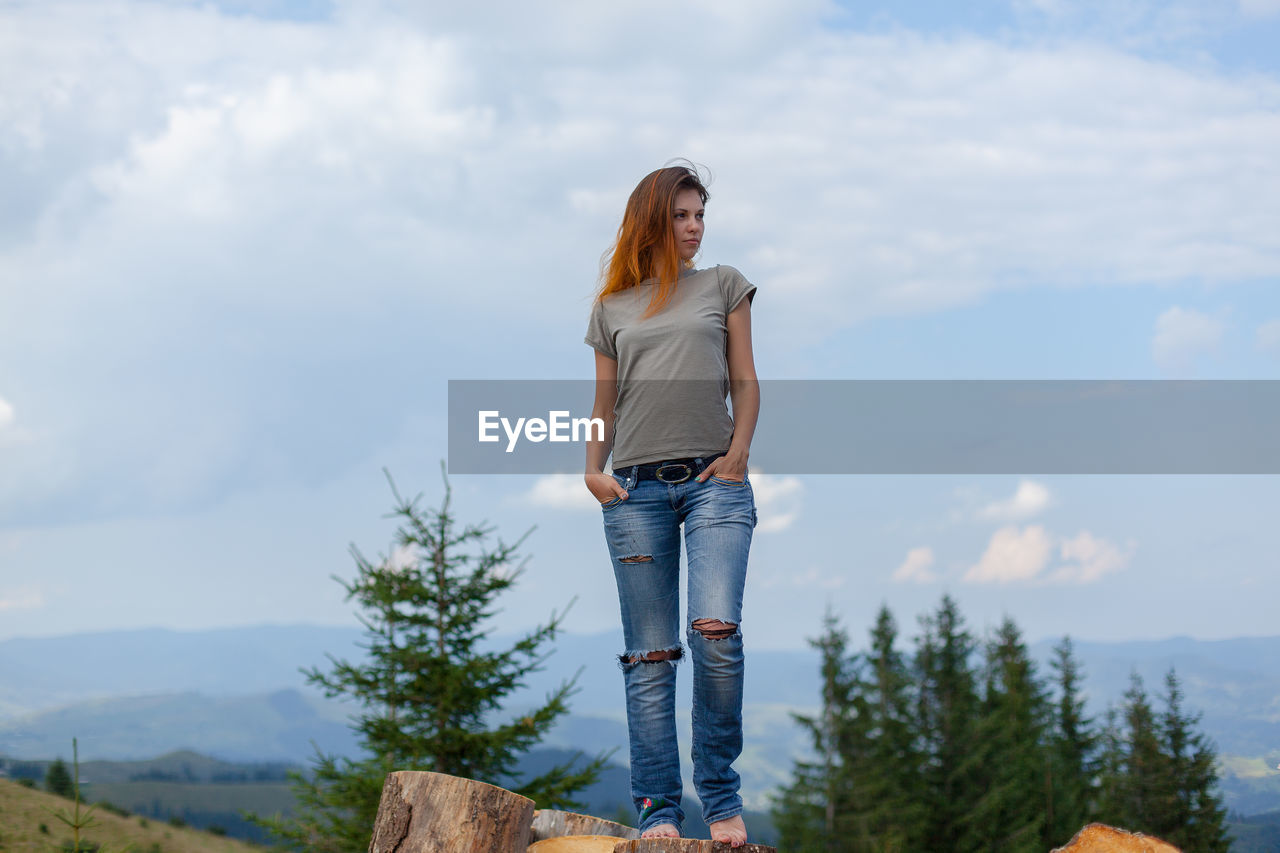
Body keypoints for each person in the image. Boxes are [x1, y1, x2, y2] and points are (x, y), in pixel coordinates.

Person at [583, 161, 760, 847]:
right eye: (681, 215)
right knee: (649, 656)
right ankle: (658, 810)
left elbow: (745, 381)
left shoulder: (723, 286)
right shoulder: (612, 309)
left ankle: (720, 796)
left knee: (716, 634)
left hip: (716, 482)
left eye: (700, 215)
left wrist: (739, 452)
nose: (694, 227)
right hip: (634, 490)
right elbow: (604, 404)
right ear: (653, 220)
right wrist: (590, 470)